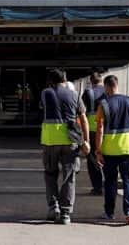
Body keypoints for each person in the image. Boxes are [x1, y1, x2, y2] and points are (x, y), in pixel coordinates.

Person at [41, 68, 90, 225]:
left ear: (51, 81)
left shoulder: (45, 93)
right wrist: (86, 141)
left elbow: (42, 107)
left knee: (50, 174)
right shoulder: (75, 95)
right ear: (65, 79)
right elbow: (83, 119)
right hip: (70, 141)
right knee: (69, 177)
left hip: (50, 141)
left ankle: (53, 207)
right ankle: (65, 213)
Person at [95, 74, 129, 225]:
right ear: (117, 85)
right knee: (128, 179)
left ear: (107, 86)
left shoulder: (104, 104)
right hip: (128, 148)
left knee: (110, 181)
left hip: (110, 150)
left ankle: (109, 213)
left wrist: (98, 150)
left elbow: (100, 128)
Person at [81, 69, 106, 195]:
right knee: (106, 157)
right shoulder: (107, 92)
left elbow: (81, 112)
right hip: (106, 130)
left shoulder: (87, 93)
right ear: (101, 80)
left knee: (92, 160)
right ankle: (108, 184)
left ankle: (97, 187)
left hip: (91, 130)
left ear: (90, 81)